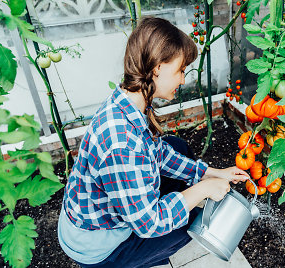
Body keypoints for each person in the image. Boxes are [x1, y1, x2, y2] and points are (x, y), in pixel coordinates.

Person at [57, 17, 250, 268]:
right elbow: (149, 223)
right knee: (189, 224)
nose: (183, 80)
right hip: (98, 247)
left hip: (99, 213)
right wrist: (202, 190)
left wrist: (212, 173)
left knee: (176, 147)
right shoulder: (121, 143)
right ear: (158, 67)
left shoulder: (127, 102)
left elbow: (159, 154)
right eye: (181, 70)